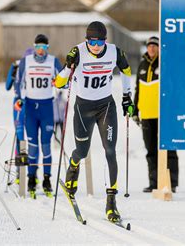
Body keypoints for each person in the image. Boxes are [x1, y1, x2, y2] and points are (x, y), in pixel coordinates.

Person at [55, 21, 134, 222]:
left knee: (110, 151)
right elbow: (58, 83)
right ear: (86, 40)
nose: (96, 46)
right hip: (83, 108)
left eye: (100, 41)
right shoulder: (79, 52)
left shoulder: (115, 52)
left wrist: (127, 97)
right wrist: (67, 66)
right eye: (92, 41)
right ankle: (73, 168)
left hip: (106, 107)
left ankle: (111, 203)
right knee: (82, 151)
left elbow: (126, 71)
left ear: (105, 41)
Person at [14, 34, 62, 198]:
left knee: (46, 145)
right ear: (34, 47)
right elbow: (18, 82)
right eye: (39, 47)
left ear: (48, 48)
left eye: (45, 48)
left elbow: (64, 79)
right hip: (31, 108)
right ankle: (32, 178)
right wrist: (19, 99)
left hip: (47, 107)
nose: (41, 51)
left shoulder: (53, 61)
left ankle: (47, 179)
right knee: (33, 146)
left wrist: (59, 82)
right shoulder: (26, 61)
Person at [132, 36, 178, 193]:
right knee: (150, 150)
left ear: (159, 48)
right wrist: (135, 110)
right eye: (149, 46)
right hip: (146, 113)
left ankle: (172, 183)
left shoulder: (165, 64)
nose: (151, 48)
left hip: (163, 114)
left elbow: (173, 88)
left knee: (169, 148)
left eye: (155, 46)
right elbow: (138, 89)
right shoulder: (142, 65)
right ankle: (154, 182)